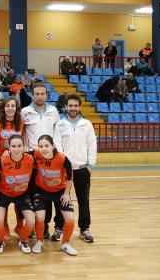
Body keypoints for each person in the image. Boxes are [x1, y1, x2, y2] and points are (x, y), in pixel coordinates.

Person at [54, 94, 97, 243]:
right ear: (66, 107)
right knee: (62, 199)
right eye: (70, 106)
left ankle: (84, 229)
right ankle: (59, 228)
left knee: (83, 200)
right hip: (64, 170)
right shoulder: (60, 124)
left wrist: (90, 165)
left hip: (82, 169)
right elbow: (57, 145)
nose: (72, 108)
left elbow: (92, 145)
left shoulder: (87, 124)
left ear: (79, 107)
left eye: (75, 106)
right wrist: (62, 164)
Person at [21, 82, 60, 239]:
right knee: (32, 194)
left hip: (50, 157)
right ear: (32, 94)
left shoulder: (53, 111)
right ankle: (33, 226)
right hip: (32, 158)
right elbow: (22, 133)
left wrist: (57, 152)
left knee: (48, 192)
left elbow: (56, 133)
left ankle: (45, 227)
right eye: (37, 94)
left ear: (46, 94)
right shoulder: (25, 112)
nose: (39, 96)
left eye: (42, 93)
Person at [31, 135, 77, 256]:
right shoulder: (35, 154)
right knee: (40, 217)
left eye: (47, 145)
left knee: (70, 219)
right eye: (41, 146)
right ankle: (39, 241)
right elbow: (20, 154)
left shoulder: (62, 158)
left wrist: (66, 194)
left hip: (60, 191)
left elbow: (70, 177)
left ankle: (65, 244)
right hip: (41, 190)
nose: (44, 149)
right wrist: (6, 153)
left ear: (53, 146)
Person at [0, 135, 35, 254]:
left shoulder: (31, 159)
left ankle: (23, 240)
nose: (16, 149)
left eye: (19, 146)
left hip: (22, 194)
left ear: (24, 147)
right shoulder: (2, 161)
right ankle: (1, 241)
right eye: (13, 146)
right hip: (3, 194)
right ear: (9, 148)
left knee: (32, 221)